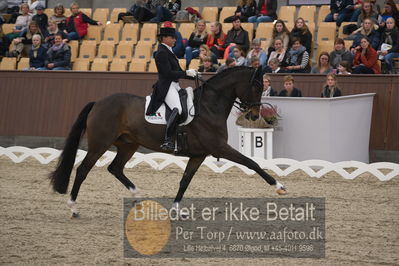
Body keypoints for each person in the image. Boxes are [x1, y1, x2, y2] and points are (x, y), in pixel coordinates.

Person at [145, 25, 198, 151]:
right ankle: (168, 140)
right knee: (178, 109)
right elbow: (167, 73)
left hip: (174, 85)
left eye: (175, 37)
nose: (175, 40)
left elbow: (178, 71)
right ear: (164, 38)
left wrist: (193, 75)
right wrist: (186, 73)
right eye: (172, 37)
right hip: (166, 85)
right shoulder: (161, 53)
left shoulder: (169, 51)